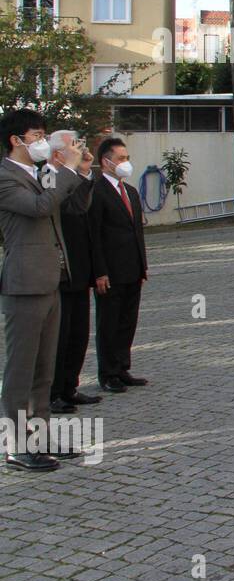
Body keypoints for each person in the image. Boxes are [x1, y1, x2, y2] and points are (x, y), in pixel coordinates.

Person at [0, 110, 94, 470]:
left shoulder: (42, 174)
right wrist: (65, 171)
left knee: (44, 370)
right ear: (16, 140)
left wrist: (82, 172)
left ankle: (38, 438)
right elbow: (40, 208)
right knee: (21, 370)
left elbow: (75, 208)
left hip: (51, 279)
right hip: (23, 283)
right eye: (37, 135)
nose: (43, 141)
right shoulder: (7, 177)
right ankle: (17, 446)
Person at [88, 137, 149, 393]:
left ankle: (123, 367)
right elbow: (93, 235)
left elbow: (137, 232)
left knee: (127, 320)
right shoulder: (96, 190)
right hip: (110, 271)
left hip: (132, 268)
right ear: (106, 161)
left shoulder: (131, 192)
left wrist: (142, 265)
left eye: (127, 158)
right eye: (121, 158)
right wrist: (99, 271)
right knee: (109, 322)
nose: (126, 163)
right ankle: (108, 373)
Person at [49, 131, 102, 414]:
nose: (79, 148)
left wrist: (83, 171)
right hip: (56, 271)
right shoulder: (47, 177)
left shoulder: (69, 175)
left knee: (78, 334)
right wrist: (72, 171)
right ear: (58, 153)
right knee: (59, 336)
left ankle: (69, 386)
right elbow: (58, 207)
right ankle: (52, 391)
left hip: (78, 270)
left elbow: (79, 207)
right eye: (74, 145)